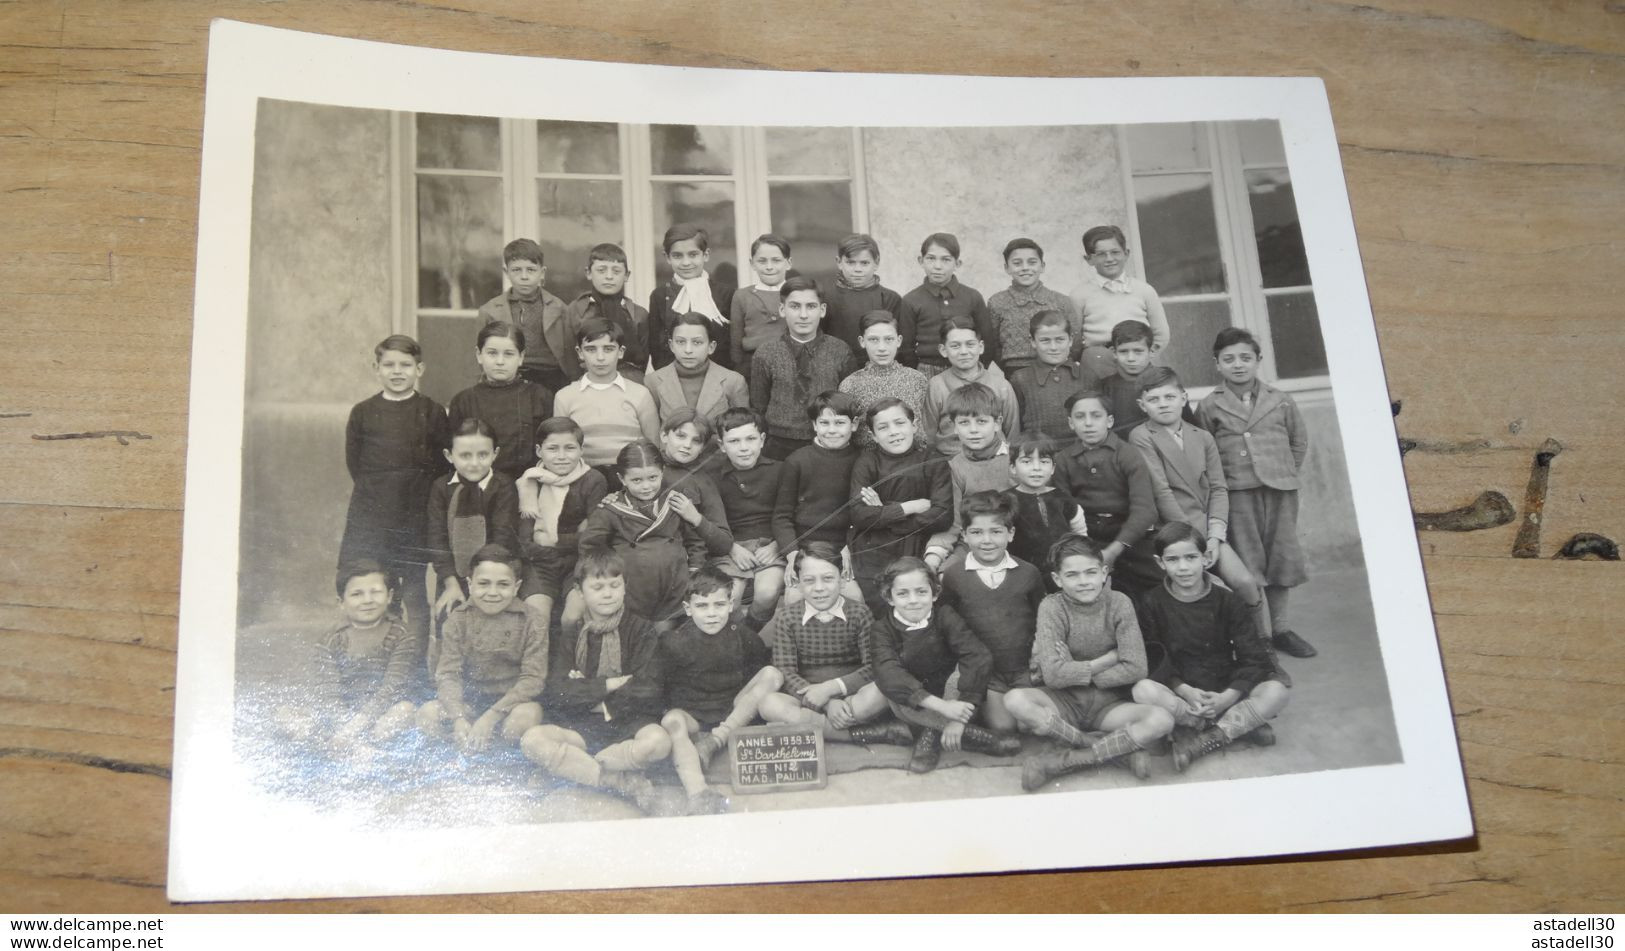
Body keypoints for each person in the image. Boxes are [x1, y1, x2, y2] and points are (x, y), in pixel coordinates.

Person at [1008, 535, 1174, 790]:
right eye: (1072, 575)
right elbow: (1053, 675)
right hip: (1062, 700)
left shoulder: (1119, 603)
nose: (1084, 582)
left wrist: (1074, 668)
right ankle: (1113, 751)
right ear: (1057, 579)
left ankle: (1065, 760)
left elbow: (1136, 667)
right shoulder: (1051, 607)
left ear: (1104, 572)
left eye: (1090, 572)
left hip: (1109, 703)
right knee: (1015, 700)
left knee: (1161, 719)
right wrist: (1105, 660)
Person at [1128, 366, 1274, 644]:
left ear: (1183, 398)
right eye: (1154, 399)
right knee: (1203, 591)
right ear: (1142, 405)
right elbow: (1161, 491)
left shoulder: (1202, 437)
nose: (1163, 404)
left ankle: (1262, 647)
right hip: (1172, 531)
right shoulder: (1142, 437)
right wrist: (1195, 541)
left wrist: (1216, 537)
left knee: (1245, 583)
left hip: (1208, 531)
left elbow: (1219, 488)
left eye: (1169, 397)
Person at [1196, 327, 1315, 659]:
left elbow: (1298, 441)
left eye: (1246, 358)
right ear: (1217, 364)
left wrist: (1282, 472)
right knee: (1250, 565)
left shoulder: (1281, 400)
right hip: (1238, 494)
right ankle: (1260, 637)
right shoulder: (1209, 406)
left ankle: (1281, 629)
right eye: (1229, 359)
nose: (1238, 365)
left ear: (1258, 361)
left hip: (1280, 491)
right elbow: (1205, 452)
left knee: (1281, 559)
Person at [1131, 522, 1289, 771]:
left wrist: (1229, 696)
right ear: (1160, 563)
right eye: (1172, 560)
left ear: (1205, 559)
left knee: (1276, 691)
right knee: (1143, 690)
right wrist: (1183, 690)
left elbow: (1254, 656)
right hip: (1182, 694)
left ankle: (1205, 739)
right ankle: (1230, 727)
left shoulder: (1228, 600)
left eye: (1191, 557)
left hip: (1224, 690)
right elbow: (1152, 656)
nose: (1183, 567)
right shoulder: (1151, 602)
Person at [521, 551, 669, 811]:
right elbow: (556, 691)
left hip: (629, 725)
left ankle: (577, 768)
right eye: (597, 587)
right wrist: (608, 684)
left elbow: (649, 687)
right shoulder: (571, 634)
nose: (608, 594)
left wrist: (597, 700)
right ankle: (614, 779)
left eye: (615, 585)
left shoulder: (641, 630)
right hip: (581, 727)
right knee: (532, 740)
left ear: (625, 588)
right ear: (580, 591)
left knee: (659, 743)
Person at [337, 334, 449, 648]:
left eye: (405, 365)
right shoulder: (362, 412)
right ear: (377, 368)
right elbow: (356, 465)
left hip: (414, 516)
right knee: (377, 588)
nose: (397, 371)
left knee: (414, 593)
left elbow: (442, 466)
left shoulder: (432, 412)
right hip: (372, 516)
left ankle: (414, 673)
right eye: (389, 365)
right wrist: (380, 492)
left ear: (420, 369)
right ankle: (380, 662)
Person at [650, 568, 785, 815]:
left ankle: (715, 741)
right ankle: (698, 792)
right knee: (672, 720)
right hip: (693, 715)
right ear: (688, 608)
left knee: (772, 675)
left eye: (719, 605)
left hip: (731, 712)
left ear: (731, 605)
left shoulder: (744, 637)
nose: (712, 614)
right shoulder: (673, 641)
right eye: (702, 606)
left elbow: (755, 677)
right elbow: (660, 687)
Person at [869, 556, 1022, 773]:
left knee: (966, 672)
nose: (913, 600)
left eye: (921, 592)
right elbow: (888, 673)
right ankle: (977, 736)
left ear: (935, 594)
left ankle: (934, 734)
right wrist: (943, 708)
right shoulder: (881, 629)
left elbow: (977, 655)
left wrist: (958, 716)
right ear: (889, 597)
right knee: (892, 689)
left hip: (953, 695)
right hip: (919, 702)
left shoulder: (945, 616)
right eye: (902, 593)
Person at [757, 542, 911, 747]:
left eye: (828, 579)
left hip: (852, 697)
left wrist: (833, 689)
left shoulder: (859, 613)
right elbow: (785, 671)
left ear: (842, 578)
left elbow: (873, 667)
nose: (819, 588)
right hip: (808, 697)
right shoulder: (787, 617)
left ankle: (820, 728)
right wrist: (827, 703)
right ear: (798, 582)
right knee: (769, 704)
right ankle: (866, 733)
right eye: (809, 581)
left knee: (882, 690)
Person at [273, 560, 421, 755]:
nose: (367, 600)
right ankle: (358, 748)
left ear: (389, 596)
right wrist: (343, 725)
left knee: (405, 710)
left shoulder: (401, 634)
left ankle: (349, 747)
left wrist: (354, 728)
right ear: (341, 602)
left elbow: (392, 688)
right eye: (356, 594)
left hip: (380, 713)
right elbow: (329, 692)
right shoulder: (332, 639)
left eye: (375, 592)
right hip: (341, 716)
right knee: (284, 714)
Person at [416, 544, 547, 753]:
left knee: (525, 717)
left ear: (516, 586)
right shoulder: (458, 620)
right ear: (469, 584)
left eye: (503, 584)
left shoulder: (532, 620)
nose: (492, 593)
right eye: (483, 583)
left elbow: (533, 680)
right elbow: (448, 674)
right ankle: (462, 753)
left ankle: (499, 762)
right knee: (428, 713)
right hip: (469, 704)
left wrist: (491, 716)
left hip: (510, 706)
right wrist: (458, 717)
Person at [936, 491, 1045, 733]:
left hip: (1023, 668)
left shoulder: (1028, 573)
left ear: (1011, 534)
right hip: (986, 674)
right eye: (976, 532)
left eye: (996, 531)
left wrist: (1040, 650)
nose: (987, 540)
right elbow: (946, 623)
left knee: (1029, 726)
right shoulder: (955, 575)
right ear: (964, 535)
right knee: (1002, 726)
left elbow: (1043, 617)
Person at [576, 440, 706, 626]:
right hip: (632, 590)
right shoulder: (611, 509)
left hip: (674, 586)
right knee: (636, 636)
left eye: (653, 478)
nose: (646, 486)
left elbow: (695, 541)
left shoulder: (676, 502)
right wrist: (604, 578)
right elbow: (589, 547)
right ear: (622, 479)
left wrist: (695, 570)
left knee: (665, 634)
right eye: (637, 480)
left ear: (662, 473)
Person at [1051, 388, 1162, 597]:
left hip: (1128, 534)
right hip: (1087, 533)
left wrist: (1114, 550)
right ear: (1070, 423)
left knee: (1159, 580)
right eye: (1080, 417)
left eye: (1096, 416)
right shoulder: (1064, 459)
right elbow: (1063, 509)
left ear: (1109, 421)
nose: (1088, 423)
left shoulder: (1127, 453)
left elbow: (1145, 510)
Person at [848, 398, 952, 610]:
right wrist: (909, 507)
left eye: (900, 423)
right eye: (883, 427)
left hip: (916, 546)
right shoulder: (867, 462)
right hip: (873, 549)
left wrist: (883, 511)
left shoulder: (933, 460)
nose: (893, 432)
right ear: (873, 436)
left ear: (914, 426)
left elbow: (941, 516)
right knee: (880, 605)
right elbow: (859, 514)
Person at [749, 276, 858, 460]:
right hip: (778, 445)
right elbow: (758, 407)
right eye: (795, 306)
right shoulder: (765, 352)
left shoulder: (840, 350)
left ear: (822, 310)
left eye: (811, 306)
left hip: (827, 442)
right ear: (782, 310)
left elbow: (849, 403)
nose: (803, 315)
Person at [772, 391, 866, 604]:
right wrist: (792, 554)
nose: (832, 430)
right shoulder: (797, 461)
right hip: (804, 547)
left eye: (840, 422)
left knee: (855, 598)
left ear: (854, 424)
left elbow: (864, 515)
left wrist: (850, 547)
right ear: (814, 425)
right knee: (794, 600)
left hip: (845, 549)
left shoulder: (864, 461)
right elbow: (781, 517)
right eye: (824, 422)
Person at [425, 418, 521, 622]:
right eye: (465, 455)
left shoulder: (503, 486)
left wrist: (482, 585)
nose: (475, 463)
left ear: (495, 454)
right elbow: (436, 539)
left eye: (483, 455)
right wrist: (451, 584)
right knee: (450, 617)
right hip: (453, 577)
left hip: (493, 575)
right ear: (449, 455)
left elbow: (502, 538)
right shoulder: (441, 488)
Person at [514, 417, 608, 622]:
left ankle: (570, 655)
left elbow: (595, 536)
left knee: (573, 618)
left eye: (570, 448)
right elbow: (525, 539)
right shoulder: (529, 481)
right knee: (536, 617)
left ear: (581, 450)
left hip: (579, 561)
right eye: (553, 449)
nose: (562, 456)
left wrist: (553, 541)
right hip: (539, 563)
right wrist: (575, 536)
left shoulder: (593, 480)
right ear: (539, 451)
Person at [922, 383, 1017, 568]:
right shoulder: (955, 467)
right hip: (973, 543)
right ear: (955, 427)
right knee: (944, 574)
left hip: (1016, 540)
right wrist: (933, 557)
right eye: (964, 423)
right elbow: (955, 521)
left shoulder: (1016, 460)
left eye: (981, 421)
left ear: (997, 423)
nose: (973, 430)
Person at [447, 321, 554, 482]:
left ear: (521, 357)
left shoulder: (539, 396)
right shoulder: (464, 401)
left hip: (527, 486)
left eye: (509, 354)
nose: (500, 361)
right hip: (479, 486)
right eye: (492, 353)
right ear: (479, 355)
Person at [553, 318, 661, 474]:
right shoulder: (565, 396)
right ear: (580, 353)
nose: (600, 357)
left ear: (621, 352)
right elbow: (561, 446)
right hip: (584, 477)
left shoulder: (640, 394)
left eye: (608, 349)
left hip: (630, 475)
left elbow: (652, 445)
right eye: (591, 349)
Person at [711, 408, 788, 623]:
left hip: (771, 544)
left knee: (767, 593)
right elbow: (711, 522)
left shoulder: (781, 470)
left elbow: (790, 514)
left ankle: (748, 638)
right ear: (721, 445)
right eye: (734, 441)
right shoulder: (713, 477)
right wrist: (731, 548)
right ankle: (735, 639)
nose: (744, 448)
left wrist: (776, 546)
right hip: (731, 548)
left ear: (762, 440)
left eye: (750, 439)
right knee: (729, 597)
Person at [1070, 225, 1169, 377]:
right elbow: (1074, 337)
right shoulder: (1080, 295)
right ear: (1089, 259)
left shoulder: (1144, 290)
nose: (1109, 259)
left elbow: (1161, 332)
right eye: (1101, 254)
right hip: (1098, 359)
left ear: (1126, 253)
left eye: (1115, 252)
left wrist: (1144, 354)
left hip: (1135, 356)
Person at [479, 238, 569, 393]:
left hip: (551, 378)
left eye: (531, 270)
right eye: (516, 270)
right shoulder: (490, 310)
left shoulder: (559, 308)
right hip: (509, 377)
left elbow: (569, 353)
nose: (524, 276)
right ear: (506, 272)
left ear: (542, 272)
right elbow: (482, 355)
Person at [919, 317, 1020, 456]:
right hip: (950, 460)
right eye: (955, 346)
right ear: (943, 350)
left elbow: (1013, 433)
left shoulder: (1001, 385)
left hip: (994, 459)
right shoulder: (937, 385)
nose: (964, 351)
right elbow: (928, 434)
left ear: (981, 347)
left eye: (970, 344)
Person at [898, 233, 996, 372]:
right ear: (921, 261)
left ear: (957, 263)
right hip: (927, 370)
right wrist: (917, 374)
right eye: (931, 258)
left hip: (968, 368)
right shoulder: (911, 300)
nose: (937, 266)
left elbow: (988, 341)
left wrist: (975, 370)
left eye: (946, 260)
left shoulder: (972, 297)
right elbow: (906, 347)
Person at [1004, 430, 1089, 588]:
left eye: (1044, 461)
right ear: (1013, 468)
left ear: (1053, 468)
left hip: (1060, 575)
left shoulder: (1064, 500)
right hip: (1020, 577)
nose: (1036, 468)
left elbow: (1081, 537)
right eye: (1027, 461)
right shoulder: (1005, 501)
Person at [986, 238, 1082, 374]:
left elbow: (1075, 341)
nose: (1025, 268)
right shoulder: (997, 302)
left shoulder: (1061, 301)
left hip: (1057, 368)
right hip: (1015, 369)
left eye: (1032, 262)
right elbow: (992, 343)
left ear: (1042, 266)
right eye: (1017, 263)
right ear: (1007, 268)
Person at [649, 224, 735, 372]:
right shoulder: (660, 296)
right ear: (667, 257)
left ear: (706, 255)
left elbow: (731, 344)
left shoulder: (725, 293)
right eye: (677, 256)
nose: (686, 262)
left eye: (693, 255)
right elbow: (657, 347)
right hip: (674, 378)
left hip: (718, 378)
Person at [560, 242, 650, 383]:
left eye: (616, 271)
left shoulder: (638, 315)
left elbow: (641, 360)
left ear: (626, 275)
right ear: (588, 273)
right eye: (601, 270)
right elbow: (569, 359)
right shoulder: (576, 311)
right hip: (586, 380)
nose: (609, 276)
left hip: (628, 382)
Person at [838, 310, 929, 447]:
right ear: (862, 342)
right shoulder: (850, 385)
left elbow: (926, 428)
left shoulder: (917, 380)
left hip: (912, 460)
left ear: (898, 341)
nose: (882, 348)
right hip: (870, 462)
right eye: (874, 340)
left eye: (889, 339)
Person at [655, 407, 736, 561]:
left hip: (684, 559)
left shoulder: (703, 482)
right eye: (681, 436)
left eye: (696, 441)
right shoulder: (647, 466)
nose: (687, 445)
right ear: (664, 436)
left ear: (703, 448)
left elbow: (725, 543)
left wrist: (696, 518)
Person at [644, 312, 750, 427]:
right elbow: (652, 434)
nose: (688, 350)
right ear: (671, 346)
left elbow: (741, 431)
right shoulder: (653, 382)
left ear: (711, 347)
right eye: (680, 342)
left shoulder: (733, 381)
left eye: (697, 342)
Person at [1008, 309, 1097, 444]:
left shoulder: (1088, 376)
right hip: (1040, 454)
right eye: (1045, 341)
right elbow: (1017, 423)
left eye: (1060, 339)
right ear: (1033, 342)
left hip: (1079, 452)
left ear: (1071, 340)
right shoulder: (1020, 379)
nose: (1053, 347)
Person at [1099, 319, 1191, 438]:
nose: (1131, 358)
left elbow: (1188, 424)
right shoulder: (1106, 387)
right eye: (1123, 352)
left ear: (1151, 350)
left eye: (1138, 351)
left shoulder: (1167, 381)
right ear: (1114, 352)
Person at [821, 233, 903, 360]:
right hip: (837, 365)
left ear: (876, 263)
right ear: (839, 262)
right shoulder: (826, 298)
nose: (857, 269)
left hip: (878, 365)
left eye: (864, 263)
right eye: (850, 262)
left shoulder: (890, 298)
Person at [730, 233, 793, 379]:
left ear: (788, 263)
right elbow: (735, 341)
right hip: (751, 365)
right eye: (762, 261)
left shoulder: (797, 295)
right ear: (752, 264)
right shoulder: (742, 296)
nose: (769, 267)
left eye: (776, 261)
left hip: (791, 363)